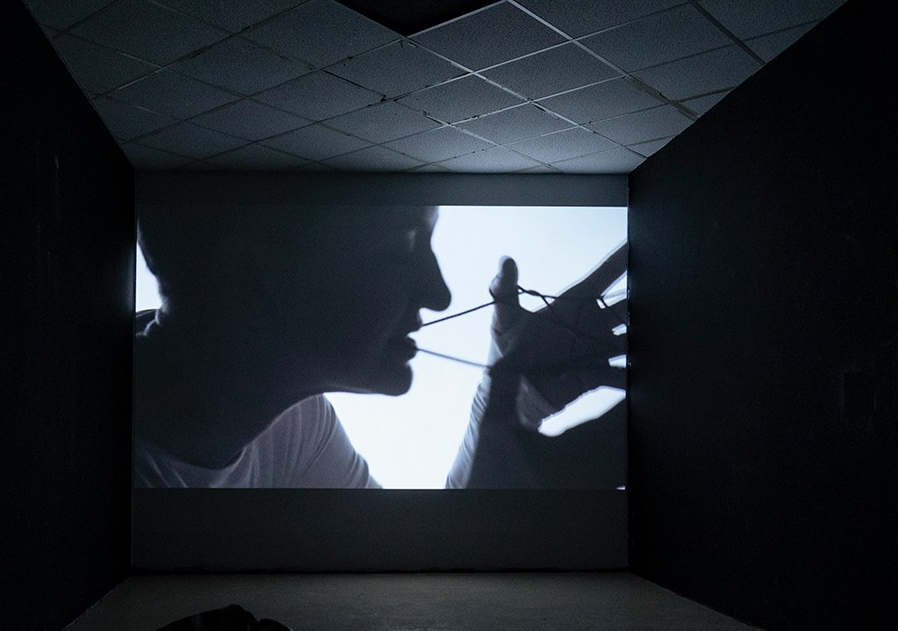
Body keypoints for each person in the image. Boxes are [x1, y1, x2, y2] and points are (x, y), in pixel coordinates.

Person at [133, 202, 626, 489]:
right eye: (402, 247)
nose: (439, 294)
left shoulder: (298, 427)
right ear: (246, 274)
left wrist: (518, 398)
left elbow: (411, 567)